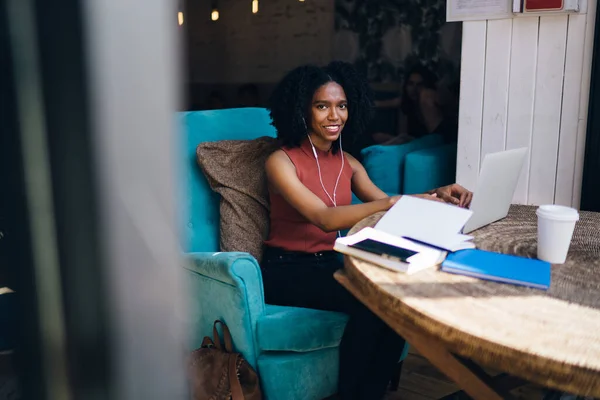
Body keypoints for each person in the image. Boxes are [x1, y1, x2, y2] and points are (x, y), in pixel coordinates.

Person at [262, 61, 472, 400]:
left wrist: (439, 194)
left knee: (394, 299)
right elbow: (324, 218)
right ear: (302, 110)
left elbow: (388, 201)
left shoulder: (347, 162)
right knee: (370, 302)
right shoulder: (281, 162)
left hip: (332, 261)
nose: (335, 116)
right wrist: (390, 204)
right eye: (322, 106)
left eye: (341, 105)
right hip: (287, 269)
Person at [373, 65, 458, 145]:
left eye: (420, 84)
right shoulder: (405, 102)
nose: (414, 89)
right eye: (410, 84)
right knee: (380, 138)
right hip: (417, 143)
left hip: (439, 143)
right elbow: (380, 104)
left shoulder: (430, 97)